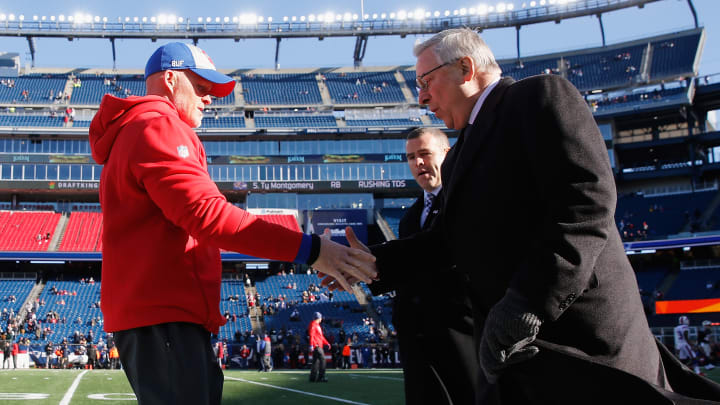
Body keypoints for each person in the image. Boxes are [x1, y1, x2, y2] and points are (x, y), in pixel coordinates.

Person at [335, 28, 720, 403]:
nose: (421, 98)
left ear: (465, 69)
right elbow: (446, 242)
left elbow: (586, 206)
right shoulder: (461, 156)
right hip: (513, 355)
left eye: (425, 81)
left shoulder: (538, 97)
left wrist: (527, 305)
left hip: (579, 342)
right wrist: (368, 262)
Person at [88, 42, 375, 405]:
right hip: (165, 315)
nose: (210, 99)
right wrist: (312, 249)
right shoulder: (159, 124)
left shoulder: (136, 128)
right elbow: (206, 215)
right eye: (203, 87)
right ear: (172, 79)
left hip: (155, 315)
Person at [369, 127, 479, 405]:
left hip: (461, 336)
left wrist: (370, 259)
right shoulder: (411, 217)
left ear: (447, 154)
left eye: (424, 154)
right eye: (410, 157)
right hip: (417, 341)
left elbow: (440, 249)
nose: (417, 163)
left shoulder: (468, 199)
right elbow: (409, 271)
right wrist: (362, 270)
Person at [309, 311, 330, 382]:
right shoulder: (313, 324)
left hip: (318, 345)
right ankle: (321, 377)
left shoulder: (317, 325)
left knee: (316, 362)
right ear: (319, 318)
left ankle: (313, 378)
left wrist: (327, 343)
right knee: (323, 360)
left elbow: (321, 337)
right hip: (317, 345)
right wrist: (311, 344)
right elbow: (311, 335)